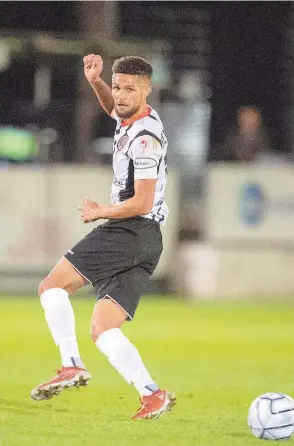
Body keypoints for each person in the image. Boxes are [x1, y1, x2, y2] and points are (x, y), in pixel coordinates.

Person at [31, 54, 175, 420]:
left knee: (52, 287)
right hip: (147, 239)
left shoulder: (145, 138)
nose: (121, 96)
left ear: (147, 90)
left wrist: (100, 211)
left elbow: (141, 202)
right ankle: (152, 394)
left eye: (130, 89)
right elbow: (114, 109)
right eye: (117, 87)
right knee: (104, 329)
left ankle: (71, 364)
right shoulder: (135, 117)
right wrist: (96, 81)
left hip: (131, 230)